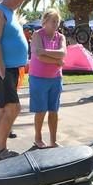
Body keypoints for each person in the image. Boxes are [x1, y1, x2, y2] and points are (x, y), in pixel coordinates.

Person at [0, 0, 29, 161]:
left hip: (11, 69)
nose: (23, 0)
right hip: (3, 69)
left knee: (4, 109)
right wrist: (2, 68)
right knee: (13, 108)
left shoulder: (10, 12)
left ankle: (0, 148)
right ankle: (1, 150)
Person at [29, 8, 66, 148]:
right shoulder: (38, 35)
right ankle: (38, 138)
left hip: (55, 78)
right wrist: (57, 61)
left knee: (53, 110)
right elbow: (39, 57)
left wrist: (45, 51)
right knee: (41, 110)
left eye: (57, 21)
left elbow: (62, 53)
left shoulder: (60, 37)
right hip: (38, 78)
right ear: (45, 22)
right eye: (53, 21)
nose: (56, 24)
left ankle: (53, 140)